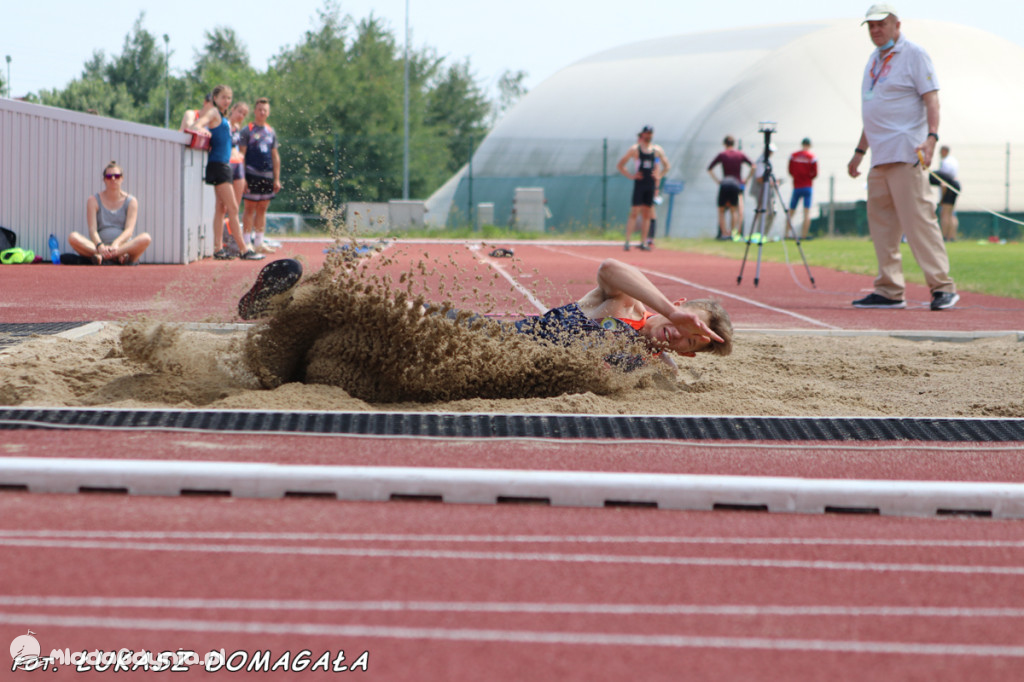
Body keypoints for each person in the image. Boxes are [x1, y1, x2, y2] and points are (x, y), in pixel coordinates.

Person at [237, 257, 733, 390]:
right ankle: (288, 302)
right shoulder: (623, 305)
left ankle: (296, 358)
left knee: (374, 362)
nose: (679, 336)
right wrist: (669, 310)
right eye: (688, 324)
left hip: (487, 380)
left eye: (691, 343)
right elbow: (609, 268)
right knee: (395, 316)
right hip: (487, 339)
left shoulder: (657, 369)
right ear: (680, 308)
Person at [847, 4, 958, 310]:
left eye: (881, 24)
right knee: (882, 228)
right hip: (879, 157)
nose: (875, 30)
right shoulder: (873, 60)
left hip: (906, 151)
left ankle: (942, 286)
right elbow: (874, 114)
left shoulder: (914, 54)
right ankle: (889, 289)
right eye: (871, 26)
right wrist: (859, 152)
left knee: (919, 222)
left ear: (897, 25)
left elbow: (932, 98)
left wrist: (932, 137)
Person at [191, 85, 263, 261]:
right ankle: (244, 250)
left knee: (221, 208)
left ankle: (218, 249)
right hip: (218, 166)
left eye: (229, 98)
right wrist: (201, 129)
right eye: (223, 97)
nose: (226, 101)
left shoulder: (223, 117)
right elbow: (197, 124)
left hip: (223, 165)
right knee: (233, 208)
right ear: (215, 98)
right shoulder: (214, 112)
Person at [68, 161, 151, 265]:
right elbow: (92, 230)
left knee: (146, 238)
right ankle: (114, 258)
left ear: (122, 178)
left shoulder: (131, 201)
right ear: (104, 179)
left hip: (123, 247)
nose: (113, 179)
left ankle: (106, 257)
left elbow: (129, 230)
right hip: (100, 246)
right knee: (73, 237)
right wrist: (100, 246)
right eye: (109, 176)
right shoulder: (93, 200)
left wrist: (116, 245)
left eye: (117, 176)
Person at [239, 98, 282, 255]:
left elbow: (275, 156)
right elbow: (241, 155)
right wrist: (242, 178)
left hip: (267, 175)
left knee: (263, 208)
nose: (262, 112)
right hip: (251, 174)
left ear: (268, 113)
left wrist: (276, 178)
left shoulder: (271, 131)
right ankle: (246, 242)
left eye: (265, 110)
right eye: (260, 109)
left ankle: (259, 242)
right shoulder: (247, 130)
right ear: (255, 111)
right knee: (249, 207)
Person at [616, 126, 670, 251]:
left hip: (650, 184)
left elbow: (666, 166)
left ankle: (643, 242)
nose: (648, 136)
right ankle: (627, 241)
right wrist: (631, 176)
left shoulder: (656, 150)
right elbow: (620, 165)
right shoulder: (635, 149)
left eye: (650, 133)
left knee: (647, 213)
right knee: (634, 212)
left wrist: (659, 176)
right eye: (646, 133)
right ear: (642, 134)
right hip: (639, 184)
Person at [707, 136, 753, 240]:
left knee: (721, 210)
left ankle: (724, 234)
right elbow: (753, 166)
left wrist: (717, 181)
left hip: (725, 183)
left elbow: (709, 168)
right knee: (734, 209)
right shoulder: (740, 154)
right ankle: (732, 233)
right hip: (736, 184)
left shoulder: (722, 154)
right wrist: (746, 179)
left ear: (724, 144)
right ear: (734, 144)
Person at [221, 101, 250, 256]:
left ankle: (233, 241)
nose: (241, 116)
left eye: (244, 114)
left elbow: (237, 147)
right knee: (226, 207)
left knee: (235, 208)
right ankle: (224, 241)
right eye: (239, 111)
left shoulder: (237, 128)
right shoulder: (224, 124)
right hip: (228, 165)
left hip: (238, 165)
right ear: (232, 110)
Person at [788, 137, 819, 240]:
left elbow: (790, 170)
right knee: (806, 212)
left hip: (797, 186)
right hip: (807, 186)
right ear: (809, 145)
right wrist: (807, 178)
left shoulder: (794, 155)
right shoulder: (812, 157)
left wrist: (797, 177)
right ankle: (804, 235)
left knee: (791, 211)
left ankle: (786, 233)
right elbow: (815, 173)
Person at [930, 145, 961, 241]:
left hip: (949, 187)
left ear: (944, 151)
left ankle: (944, 236)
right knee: (951, 213)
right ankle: (952, 236)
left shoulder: (945, 162)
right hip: (956, 185)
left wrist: (942, 199)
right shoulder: (953, 160)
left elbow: (944, 183)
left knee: (945, 213)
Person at [748, 144, 778, 239]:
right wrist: (771, 183)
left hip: (767, 190)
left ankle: (763, 235)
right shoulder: (761, 161)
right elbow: (759, 178)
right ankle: (759, 234)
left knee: (771, 212)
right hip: (761, 190)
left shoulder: (766, 161)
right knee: (763, 212)